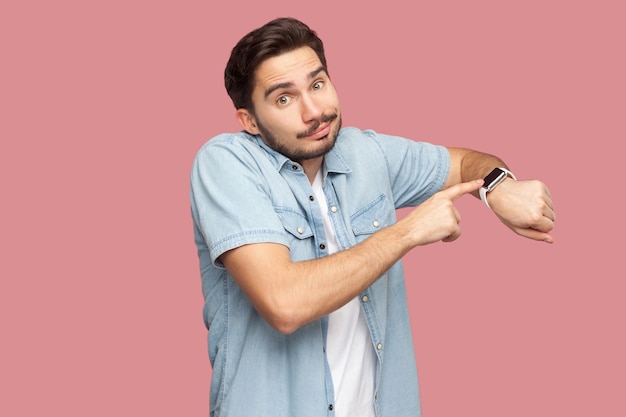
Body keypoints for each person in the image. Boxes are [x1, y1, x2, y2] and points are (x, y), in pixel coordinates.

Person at [190, 17, 555, 417]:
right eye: (284, 98)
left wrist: (498, 187)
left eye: (317, 84)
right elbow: (284, 303)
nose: (314, 111)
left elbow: (467, 162)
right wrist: (409, 231)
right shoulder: (226, 164)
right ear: (249, 121)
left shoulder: (365, 153)